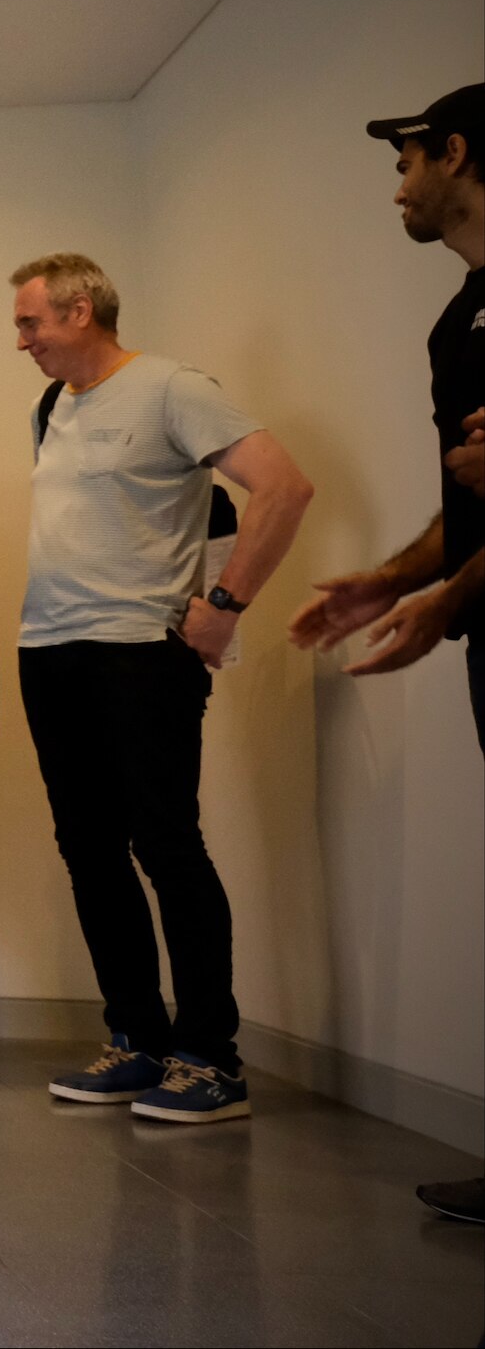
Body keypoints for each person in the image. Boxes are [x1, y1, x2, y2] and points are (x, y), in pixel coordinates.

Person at [12, 252, 313, 1124]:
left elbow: (283, 487)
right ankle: (136, 1042)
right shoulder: (51, 405)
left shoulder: (173, 388)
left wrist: (224, 607)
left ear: (79, 311)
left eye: (29, 322)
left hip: (140, 653)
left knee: (166, 847)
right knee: (88, 850)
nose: (20, 340)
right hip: (51, 650)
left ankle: (209, 1060)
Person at [287, 82, 485, 1225]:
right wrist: (396, 579)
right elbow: (461, 503)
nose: (397, 183)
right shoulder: (454, 321)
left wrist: (448, 598)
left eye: (407, 159)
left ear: (455, 154)